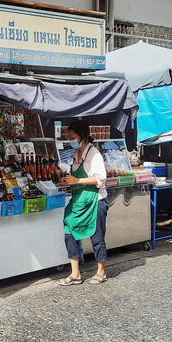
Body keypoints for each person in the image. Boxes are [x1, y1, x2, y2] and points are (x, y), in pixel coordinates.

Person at [58, 120, 109, 286]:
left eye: (72, 136)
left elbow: (101, 178)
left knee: (97, 235)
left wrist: (78, 179)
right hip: (79, 202)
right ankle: (75, 273)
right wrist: (69, 181)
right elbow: (77, 178)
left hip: (96, 201)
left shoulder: (94, 154)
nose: (70, 139)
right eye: (68, 136)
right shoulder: (75, 155)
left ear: (82, 136)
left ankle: (101, 271)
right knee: (69, 229)